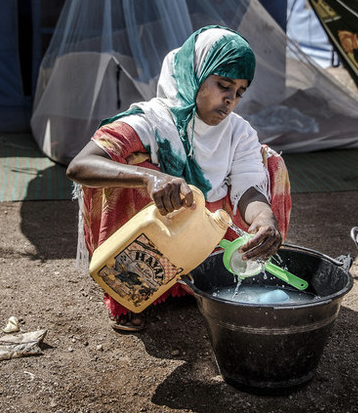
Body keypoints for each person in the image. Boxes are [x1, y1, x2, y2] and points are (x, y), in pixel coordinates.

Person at [66, 26, 291, 332]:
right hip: (158, 231)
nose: (230, 100)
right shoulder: (152, 121)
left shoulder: (238, 133)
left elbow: (248, 187)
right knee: (125, 164)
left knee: (271, 164)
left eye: (239, 92)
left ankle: (194, 279)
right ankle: (129, 291)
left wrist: (265, 218)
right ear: (195, 74)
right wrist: (147, 178)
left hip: (206, 234)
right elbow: (80, 166)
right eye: (223, 85)